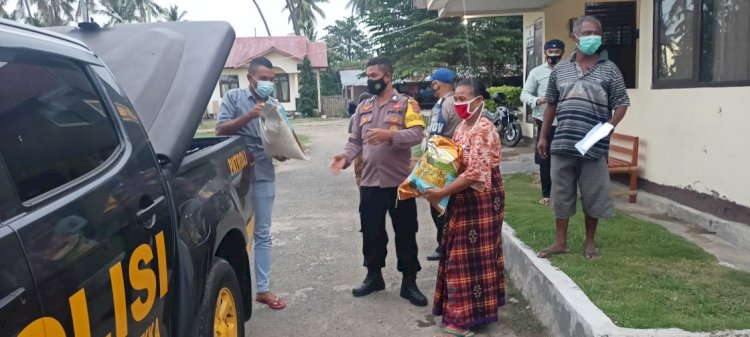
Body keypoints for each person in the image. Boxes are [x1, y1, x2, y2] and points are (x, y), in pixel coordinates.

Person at [331, 57, 428, 307]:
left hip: (399, 183)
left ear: (388, 77)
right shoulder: (363, 107)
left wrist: (390, 135)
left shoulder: (407, 104)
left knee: (406, 233)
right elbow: (355, 141)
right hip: (369, 182)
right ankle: (374, 276)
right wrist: (345, 157)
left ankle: (409, 282)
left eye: (374, 75)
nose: (370, 80)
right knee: (371, 233)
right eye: (368, 76)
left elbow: (417, 135)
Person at [536, 15, 630, 260]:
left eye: (596, 33)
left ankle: (590, 243)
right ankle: (560, 242)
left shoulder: (610, 69)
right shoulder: (561, 70)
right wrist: (543, 136)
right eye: (587, 33)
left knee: (594, 194)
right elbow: (551, 105)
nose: (592, 38)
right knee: (561, 192)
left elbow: (621, 103)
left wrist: (609, 126)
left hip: (594, 145)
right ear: (575, 37)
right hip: (563, 142)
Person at [423, 79, 505, 337]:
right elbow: (455, 161)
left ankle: (463, 319)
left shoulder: (483, 129)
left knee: (469, 256)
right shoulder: (461, 127)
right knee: (459, 252)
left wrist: (441, 192)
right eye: (455, 99)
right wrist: (425, 172)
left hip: (481, 198)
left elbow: (474, 174)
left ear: (478, 101)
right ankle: (472, 313)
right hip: (462, 196)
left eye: (462, 99)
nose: (457, 104)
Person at [216, 57, 287, 310]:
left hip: (265, 174)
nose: (268, 84)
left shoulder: (275, 106)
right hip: (236, 178)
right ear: (251, 78)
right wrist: (249, 116)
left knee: (263, 233)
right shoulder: (233, 98)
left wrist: (283, 150)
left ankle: (263, 290)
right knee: (234, 233)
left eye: (271, 80)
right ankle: (231, 287)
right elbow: (220, 129)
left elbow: (280, 142)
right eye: (264, 79)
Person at [521, 39, 565, 207]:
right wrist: (537, 100)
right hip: (544, 120)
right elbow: (524, 94)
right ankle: (547, 194)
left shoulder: (569, 70)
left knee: (563, 157)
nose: (554, 55)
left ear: (562, 52)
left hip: (565, 120)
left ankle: (562, 192)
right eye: (550, 52)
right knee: (545, 158)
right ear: (545, 53)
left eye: (557, 52)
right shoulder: (536, 72)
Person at [424, 67, 461, 262]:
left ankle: (445, 245)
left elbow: (444, 134)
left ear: (437, 83)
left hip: (445, 157)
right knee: (437, 204)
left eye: (433, 82)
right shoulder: (441, 102)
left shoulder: (451, 103)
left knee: (440, 204)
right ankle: (443, 244)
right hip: (437, 156)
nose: (432, 86)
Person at [348, 92, 374, 187]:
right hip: (369, 147)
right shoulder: (374, 113)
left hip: (359, 150)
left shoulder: (354, 116)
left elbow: (352, 132)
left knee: (359, 173)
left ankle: (362, 190)